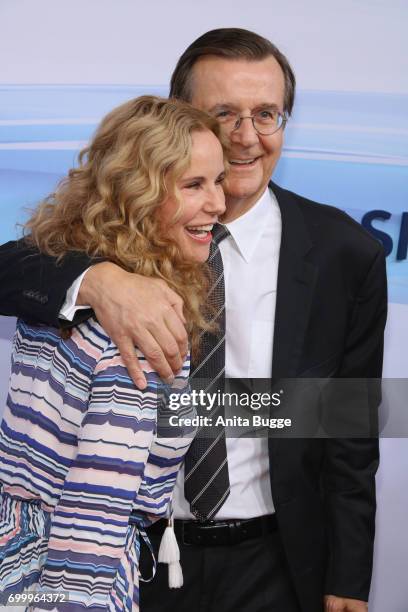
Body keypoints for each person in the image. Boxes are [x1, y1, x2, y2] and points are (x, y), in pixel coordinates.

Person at [0, 28, 387, 612]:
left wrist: (349, 577)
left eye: (266, 115)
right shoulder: (98, 253)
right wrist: (100, 281)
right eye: (224, 113)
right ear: (186, 118)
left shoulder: (345, 250)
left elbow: (350, 426)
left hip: (275, 561)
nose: (246, 137)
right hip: (129, 557)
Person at [0, 95, 226, 611]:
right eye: (194, 185)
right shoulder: (140, 326)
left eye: (217, 180)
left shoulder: (70, 277)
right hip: (71, 575)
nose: (219, 202)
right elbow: (93, 517)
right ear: (138, 195)